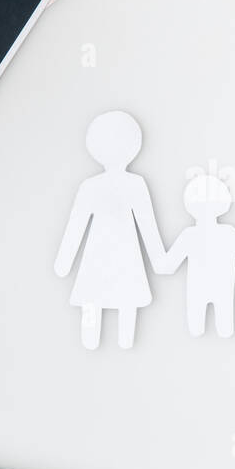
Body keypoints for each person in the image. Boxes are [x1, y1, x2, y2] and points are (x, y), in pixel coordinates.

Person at [54, 112, 167, 349]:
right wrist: (159, 260)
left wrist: (63, 264)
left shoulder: (92, 185)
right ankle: (119, 340)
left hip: (101, 254)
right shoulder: (133, 184)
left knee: (94, 298)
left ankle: (97, 340)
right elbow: (148, 226)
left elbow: (76, 226)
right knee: (122, 299)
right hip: (124, 256)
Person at [162, 175, 235, 338]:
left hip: (198, 292)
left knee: (197, 329)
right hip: (222, 291)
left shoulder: (190, 235)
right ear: (223, 203)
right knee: (225, 330)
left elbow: (167, 266)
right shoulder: (229, 233)